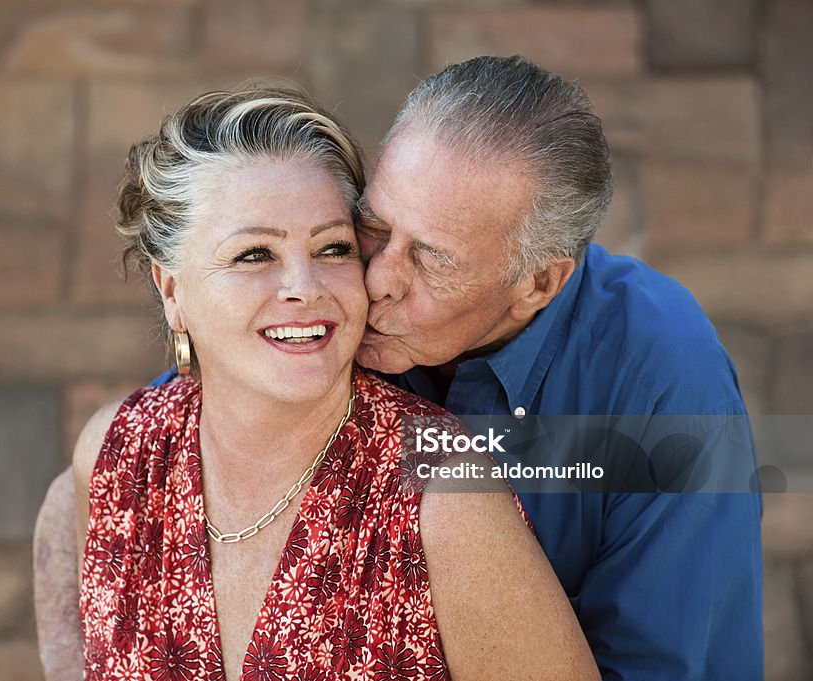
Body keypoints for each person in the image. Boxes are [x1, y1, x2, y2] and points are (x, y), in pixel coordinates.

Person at [37, 56, 763, 680]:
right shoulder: (327, 319)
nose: (372, 278)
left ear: (537, 284)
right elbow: (130, 480)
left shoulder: (663, 384)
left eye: (430, 258)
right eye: (374, 227)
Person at [67, 86, 598, 681]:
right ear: (172, 290)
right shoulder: (118, 454)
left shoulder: (444, 494)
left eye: (334, 248)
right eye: (253, 255)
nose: (305, 285)